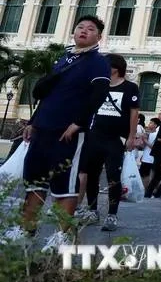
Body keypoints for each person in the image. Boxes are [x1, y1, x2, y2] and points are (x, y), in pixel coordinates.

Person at [19, 15, 111, 247]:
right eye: (80, 27)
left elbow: (98, 95)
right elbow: (46, 95)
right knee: (35, 181)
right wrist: (33, 121)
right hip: (43, 127)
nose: (84, 31)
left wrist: (79, 122)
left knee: (65, 184)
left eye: (90, 29)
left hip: (67, 131)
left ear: (99, 36)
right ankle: (26, 230)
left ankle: (62, 236)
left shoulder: (98, 62)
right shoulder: (64, 59)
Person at [75, 53, 140, 231]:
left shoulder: (130, 87)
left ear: (115, 69)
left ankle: (112, 214)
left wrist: (131, 136)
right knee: (92, 175)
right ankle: (92, 210)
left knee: (113, 176)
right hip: (94, 136)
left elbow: (134, 112)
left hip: (115, 139)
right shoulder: (99, 86)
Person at [140, 117, 161, 184]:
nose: (149, 124)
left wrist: (145, 141)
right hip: (145, 158)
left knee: (147, 177)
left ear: (155, 125)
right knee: (143, 176)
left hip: (150, 159)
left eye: (151, 123)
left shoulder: (156, 135)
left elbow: (154, 148)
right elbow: (143, 147)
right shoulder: (148, 134)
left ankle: (147, 192)